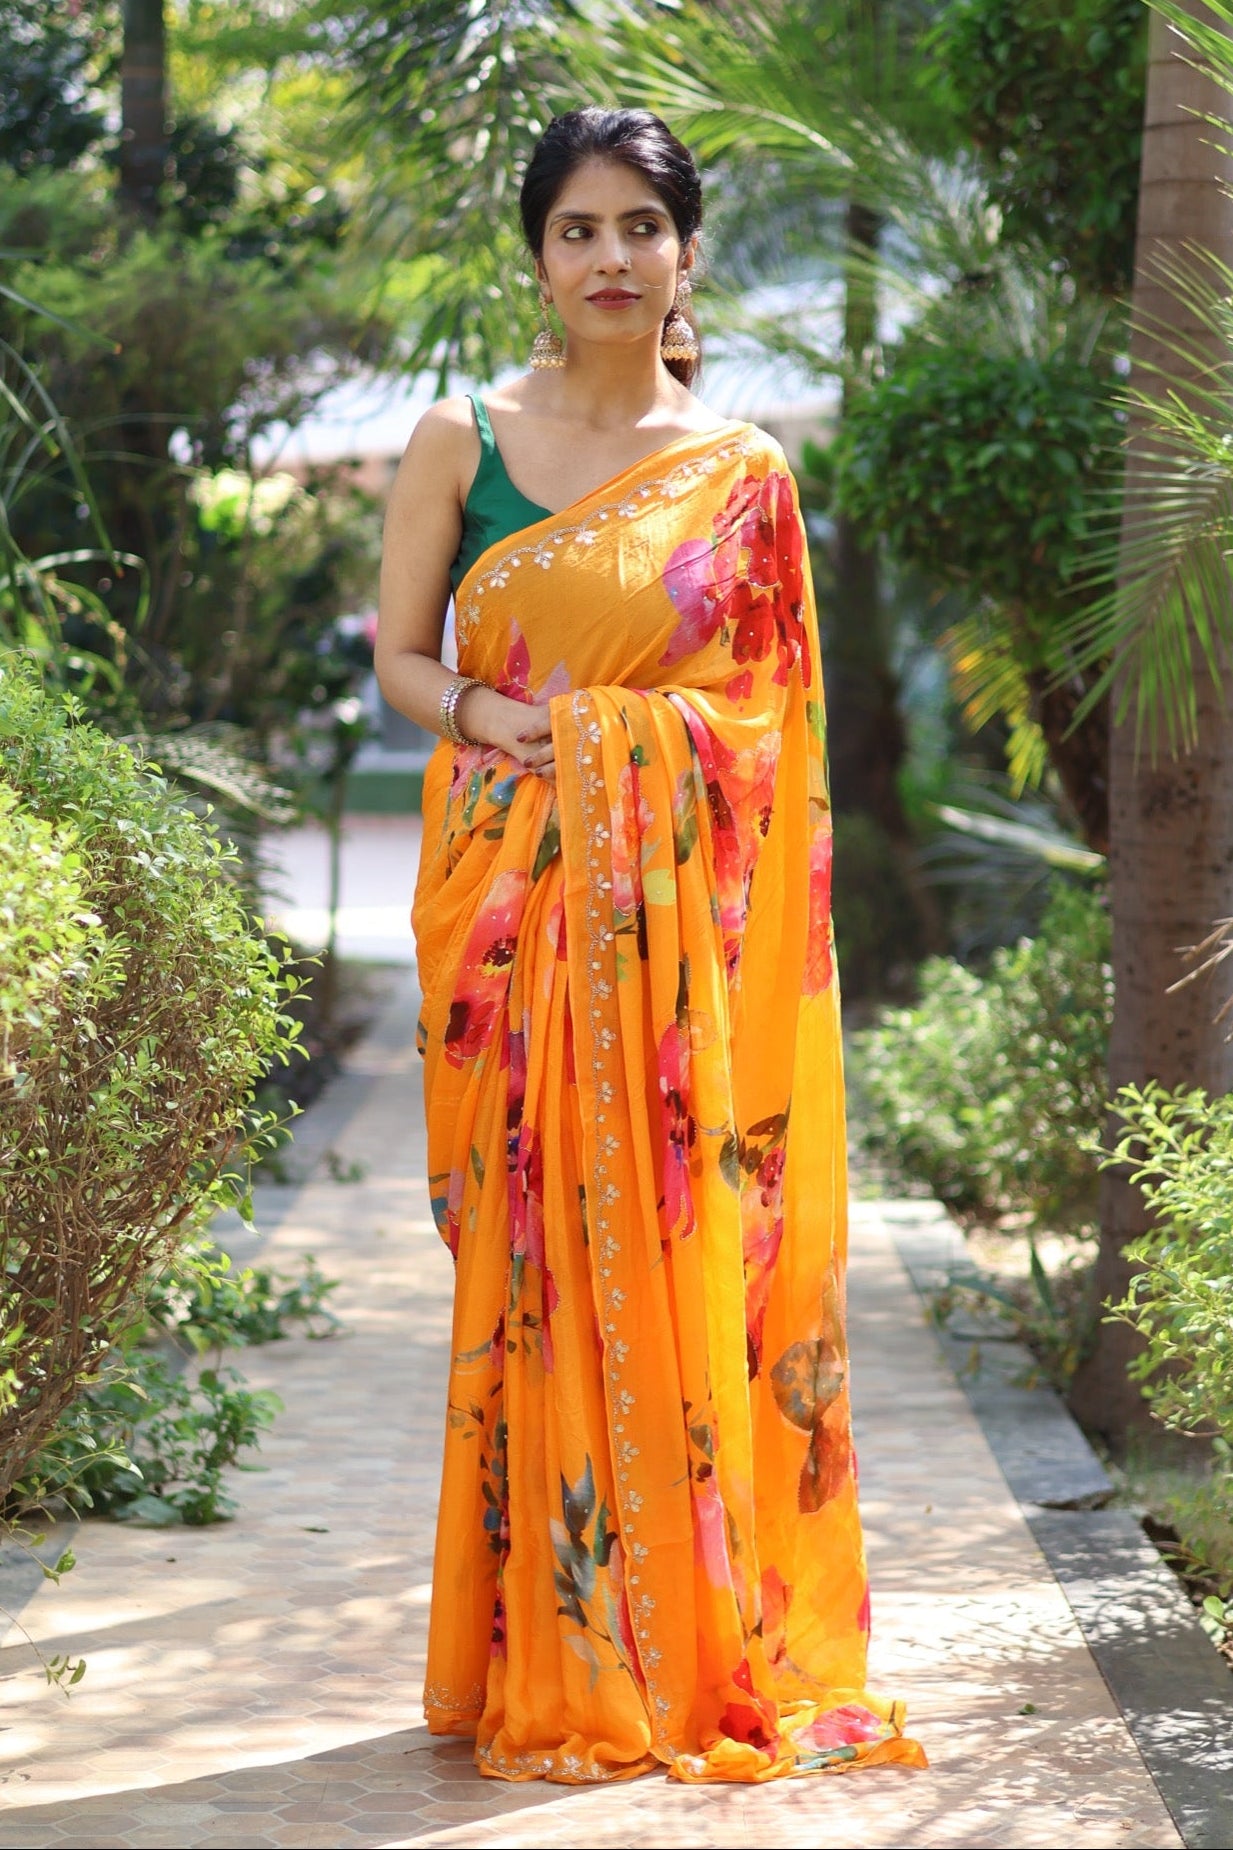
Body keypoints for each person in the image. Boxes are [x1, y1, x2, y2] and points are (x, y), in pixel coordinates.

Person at [375, 106, 925, 1787]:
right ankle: (537, 1649)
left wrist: (628, 753)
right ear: (536, 257)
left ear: (685, 254)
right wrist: (500, 723)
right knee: (525, 1270)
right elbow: (402, 657)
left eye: (639, 227)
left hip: (677, 958)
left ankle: (674, 1652)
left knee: (683, 1255)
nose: (609, 256)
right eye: (577, 228)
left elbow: (768, 729)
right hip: (508, 921)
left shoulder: (739, 475)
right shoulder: (459, 438)